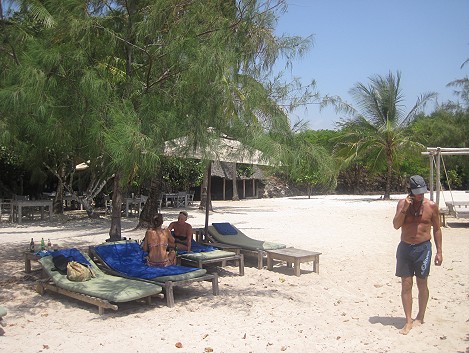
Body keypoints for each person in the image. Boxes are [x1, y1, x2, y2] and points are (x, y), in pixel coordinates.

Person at [392, 175, 443, 335]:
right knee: (406, 284)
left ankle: (420, 316)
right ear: (411, 191)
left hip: (423, 248)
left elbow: (437, 229)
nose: (421, 195)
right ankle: (408, 320)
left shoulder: (432, 206)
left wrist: (439, 251)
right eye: (417, 192)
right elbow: (396, 225)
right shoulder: (402, 204)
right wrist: (405, 209)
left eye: (422, 192)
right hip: (405, 248)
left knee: (422, 283)